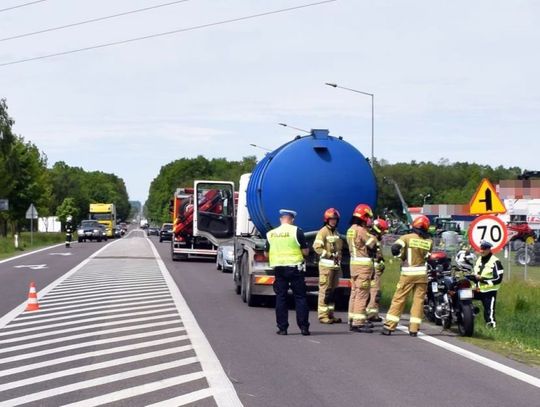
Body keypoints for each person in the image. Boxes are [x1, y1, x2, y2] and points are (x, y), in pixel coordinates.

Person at [382, 215, 433, 337]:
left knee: (399, 299)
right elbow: (427, 257)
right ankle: (414, 329)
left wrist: (399, 256)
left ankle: (389, 326)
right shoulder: (429, 242)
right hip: (422, 274)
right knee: (418, 302)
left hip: (408, 273)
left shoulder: (406, 237)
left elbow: (395, 247)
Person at [265, 209, 310, 336]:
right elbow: (305, 251)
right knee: (300, 297)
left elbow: (266, 253)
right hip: (295, 268)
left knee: (281, 298)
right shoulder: (297, 231)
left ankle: (282, 328)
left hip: (279, 269)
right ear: (292, 220)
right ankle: (303, 327)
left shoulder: (271, 234)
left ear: (281, 219)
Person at [347, 204, 377, 333]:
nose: (369, 220)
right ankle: (358, 323)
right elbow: (372, 245)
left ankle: (352, 319)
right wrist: (374, 234)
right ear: (364, 217)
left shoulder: (350, 229)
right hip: (363, 266)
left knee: (354, 293)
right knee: (362, 294)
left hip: (354, 265)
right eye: (368, 218)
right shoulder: (361, 230)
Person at [313, 208, 343, 324]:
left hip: (335, 267)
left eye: (335, 219)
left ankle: (330, 314)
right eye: (331, 219)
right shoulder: (323, 231)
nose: (333, 221)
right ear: (327, 220)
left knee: (332, 292)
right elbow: (317, 247)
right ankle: (322, 315)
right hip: (326, 267)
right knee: (325, 291)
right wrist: (328, 254)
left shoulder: (336, 232)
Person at [472, 240, 503, 328]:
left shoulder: (496, 261)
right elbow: (476, 272)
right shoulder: (479, 259)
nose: (481, 251)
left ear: (489, 249)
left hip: (489, 291)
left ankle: (491, 328)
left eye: (484, 249)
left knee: (489, 312)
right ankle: (466, 317)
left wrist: (483, 280)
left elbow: (498, 279)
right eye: (481, 248)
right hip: (478, 289)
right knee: (463, 297)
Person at [366, 218, 389, 323]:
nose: (384, 233)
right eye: (383, 231)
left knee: (376, 292)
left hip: (376, 269)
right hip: (373, 270)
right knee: (374, 292)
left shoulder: (376, 238)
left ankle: (374, 314)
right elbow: (368, 249)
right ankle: (370, 314)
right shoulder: (372, 238)